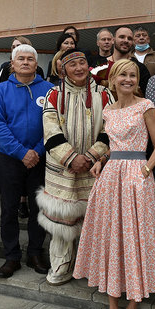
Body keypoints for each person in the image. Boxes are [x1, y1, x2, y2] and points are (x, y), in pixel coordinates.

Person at [73, 59, 155, 309]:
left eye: (133, 75)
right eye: (123, 74)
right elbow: (113, 146)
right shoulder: (109, 110)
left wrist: (145, 170)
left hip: (137, 178)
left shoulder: (146, 106)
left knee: (136, 239)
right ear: (113, 79)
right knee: (110, 239)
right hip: (110, 178)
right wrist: (101, 160)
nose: (128, 79)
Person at [38, 49, 112, 285]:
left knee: (93, 221)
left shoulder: (104, 94)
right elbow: (50, 130)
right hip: (62, 170)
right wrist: (71, 158)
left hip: (93, 168)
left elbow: (110, 129)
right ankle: (61, 264)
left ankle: (89, 266)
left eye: (82, 63)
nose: (78, 68)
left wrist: (91, 156)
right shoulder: (53, 94)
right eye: (72, 64)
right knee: (62, 221)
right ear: (63, 69)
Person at [0, 44, 52, 278]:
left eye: (30, 59)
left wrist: (36, 151)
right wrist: (21, 152)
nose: (25, 62)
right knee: (8, 209)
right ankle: (12, 256)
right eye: (21, 59)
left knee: (38, 209)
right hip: (10, 159)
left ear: (36, 64)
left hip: (40, 158)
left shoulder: (50, 90)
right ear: (12, 64)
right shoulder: (0, 90)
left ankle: (35, 252)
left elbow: (54, 125)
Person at [105, 26, 151, 95]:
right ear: (113, 40)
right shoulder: (100, 65)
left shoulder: (140, 68)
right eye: (122, 37)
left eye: (129, 38)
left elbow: (146, 95)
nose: (126, 41)